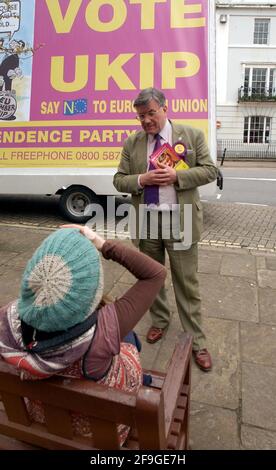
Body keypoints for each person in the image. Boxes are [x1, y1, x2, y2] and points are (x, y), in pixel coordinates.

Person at [0, 226, 166, 445]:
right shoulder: (105, 331)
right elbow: (156, 274)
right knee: (130, 339)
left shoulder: (7, 319)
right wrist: (100, 242)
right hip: (99, 435)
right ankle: (143, 379)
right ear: (89, 291)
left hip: (42, 421)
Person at [113, 87, 218, 372]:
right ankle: (160, 320)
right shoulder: (132, 142)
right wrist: (142, 178)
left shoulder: (191, 135)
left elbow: (210, 171)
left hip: (181, 219)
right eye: (140, 116)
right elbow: (119, 180)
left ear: (164, 108)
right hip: (146, 220)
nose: (146, 121)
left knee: (187, 282)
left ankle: (197, 340)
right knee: (151, 278)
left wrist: (177, 175)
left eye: (150, 113)